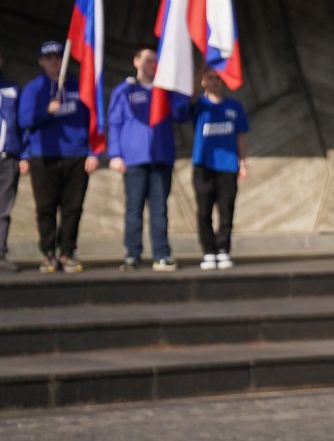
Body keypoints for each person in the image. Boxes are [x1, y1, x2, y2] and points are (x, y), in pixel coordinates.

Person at [17, 38, 96, 273]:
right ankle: (48, 252)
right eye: (49, 57)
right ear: (41, 61)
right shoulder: (34, 88)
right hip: (44, 155)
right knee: (46, 207)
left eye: (58, 56)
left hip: (76, 154)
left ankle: (67, 252)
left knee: (73, 207)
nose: (54, 61)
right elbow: (23, 121)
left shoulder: (79, 86)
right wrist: (46, 112)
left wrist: (93, 151)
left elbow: (92, 120)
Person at [107, 46, 184, 271]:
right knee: (134, 209)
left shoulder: (166, 90)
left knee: (159, 209)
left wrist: (176, 90)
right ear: (136, 61)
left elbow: (181, 115)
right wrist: (115, 154)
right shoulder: (124, 91)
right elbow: (115, 123)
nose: (151, 64)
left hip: (161, 157)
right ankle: (132, 254)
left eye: (155, 60)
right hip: (134, 159)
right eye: (148, 60)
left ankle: (162, 254)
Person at [190, 73, 248, 268]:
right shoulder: (198, 106)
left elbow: (240, 136)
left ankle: (223, 249)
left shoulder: (234, 107)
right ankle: (208, 251)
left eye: (217, 78)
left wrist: (242, 162)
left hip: (228, 165)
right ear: (203, 81)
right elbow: (180, 111)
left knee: (226, 209)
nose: (213, 82)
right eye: (209, 78)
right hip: (203, 165)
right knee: (204, 211)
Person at [0, 53, 20, 271]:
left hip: (7, 158)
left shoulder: (12, 89)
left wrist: (21, 155)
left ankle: (0, 253)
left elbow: (20, 123)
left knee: (3, 209)